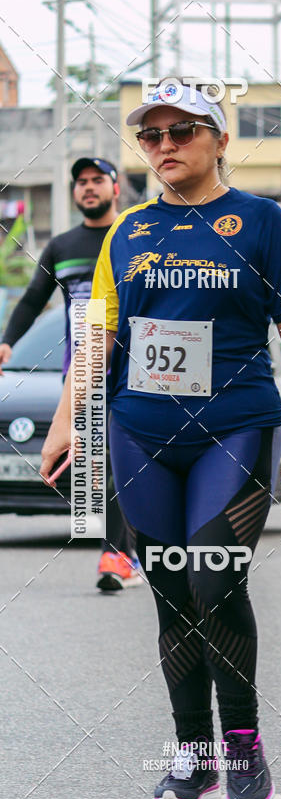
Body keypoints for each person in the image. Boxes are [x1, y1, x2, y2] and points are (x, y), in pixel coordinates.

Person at [40, 81, 281, 799]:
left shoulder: (263, 223)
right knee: (171, 591)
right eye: (152, 135)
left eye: (183, 131)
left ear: (221, 140)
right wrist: (66, 420)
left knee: (212, 575)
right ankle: (194, 758)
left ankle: (243, 744)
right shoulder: (129, 231)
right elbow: (98, 334)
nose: (166, 145)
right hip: (141, 430)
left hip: (234, 425)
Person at [0, 158, 140, 592]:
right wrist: (7, 341)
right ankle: (125, 552)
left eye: (98, 180)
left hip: (133, 371)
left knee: (122, 464)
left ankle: (116, 557)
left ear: (116, 188)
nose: (88, 188)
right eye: (81, 182)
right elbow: (31, 300)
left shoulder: (135, 236)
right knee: (97, 469)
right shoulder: (61, 246)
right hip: (80, 373)